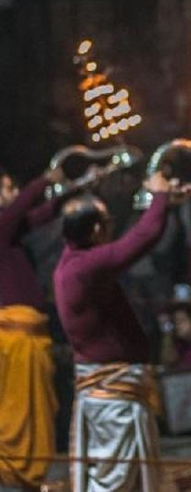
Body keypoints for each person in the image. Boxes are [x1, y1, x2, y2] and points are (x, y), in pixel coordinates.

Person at [54, 173, 191, 492]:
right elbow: (142, 239)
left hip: (112, 393)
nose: (113, 227)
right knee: (116, 484)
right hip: (112, 398)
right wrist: (159, 195)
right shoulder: (84, 267)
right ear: (97, 229)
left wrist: (166, 204)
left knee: (126, 481)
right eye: (108, 221)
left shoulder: (74, 262)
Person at [0, 165, 65, 492]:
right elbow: (18, 212)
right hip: (13, 340)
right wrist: (43, 181)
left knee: (33, 416)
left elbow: (33, 217)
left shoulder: (8, 232)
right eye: (7, 188)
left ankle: (24, 481)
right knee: (15, 418)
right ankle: (11, 480)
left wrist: (68, 192)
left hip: (29, 338)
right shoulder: (2, 227)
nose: (13, 194)